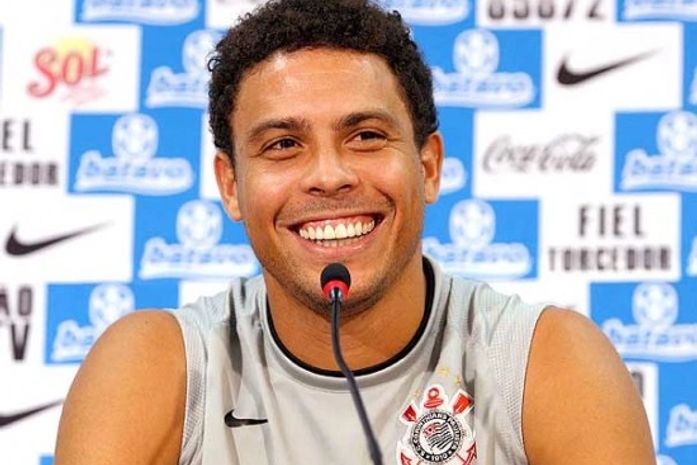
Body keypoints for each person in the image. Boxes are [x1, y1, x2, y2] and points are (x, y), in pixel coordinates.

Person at [54, 1, 655, 464]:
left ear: (428, 167)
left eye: (365, 136)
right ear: (231, 186)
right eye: (283, 144)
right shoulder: (157, 367)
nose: (329, 175)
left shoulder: (546, 361)